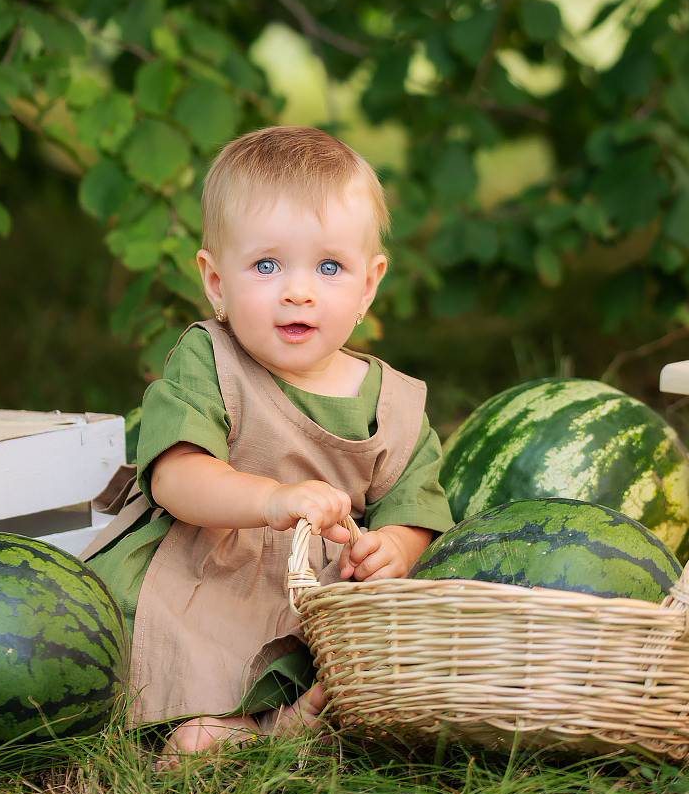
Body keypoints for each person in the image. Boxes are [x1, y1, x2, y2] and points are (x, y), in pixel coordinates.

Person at [83, 125, 453, 760]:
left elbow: (415, 509)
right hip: (207, 563)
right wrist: (270, 500)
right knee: (169, 636)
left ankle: (275, 725)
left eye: (330, 267)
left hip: (311, 588)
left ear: (368, 285)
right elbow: (176, 475)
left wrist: (395, 546)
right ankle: (204, 725)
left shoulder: (392, 404)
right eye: (267, 264)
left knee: (364, 646)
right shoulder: (210, 360)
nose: (298, 290)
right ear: (217, 281)